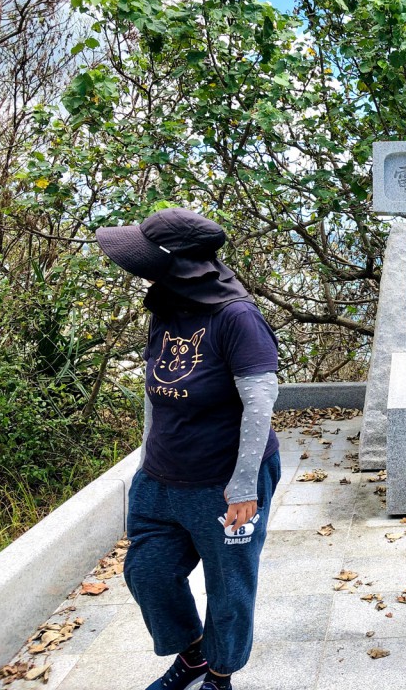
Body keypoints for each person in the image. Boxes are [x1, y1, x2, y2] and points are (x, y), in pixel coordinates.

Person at [96, 208, 281, 690]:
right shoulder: (167, 307)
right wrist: (145, 462)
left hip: (222, 482)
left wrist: (244, 488)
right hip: (160, 478)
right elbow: (154, 390)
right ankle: (195, 655)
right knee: (149, 574)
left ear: (180, 263)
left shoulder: (236, 317)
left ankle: (220, 673)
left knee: (229, 589)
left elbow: (260, 404)